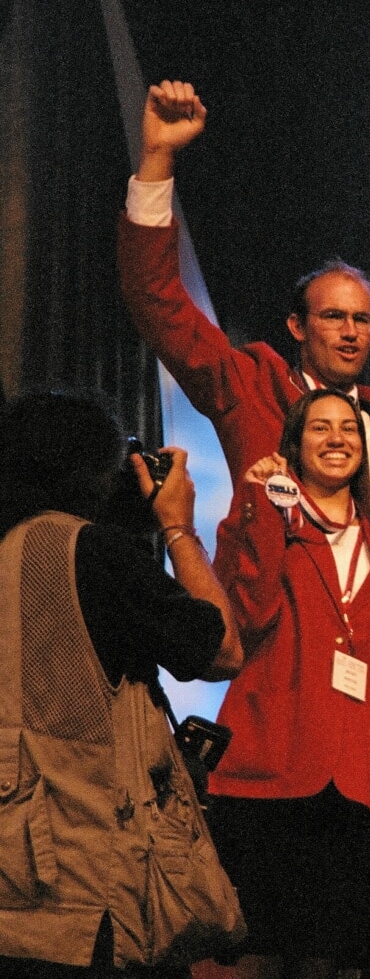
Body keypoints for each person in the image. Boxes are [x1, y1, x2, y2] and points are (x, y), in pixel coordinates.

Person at [117, 80, 370, 974]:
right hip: (282, 685)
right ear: (297, 328)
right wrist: (158, 161)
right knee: (270, 939)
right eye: (333, 317)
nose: (351, 332)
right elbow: (160, 307)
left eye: (363, 318)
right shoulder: (254, 386)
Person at [0, 391, 242, 975]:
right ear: (94, 469)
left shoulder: (12, 547)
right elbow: (221, 651)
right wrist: (178, 527)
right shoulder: (94, 552)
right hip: (91, 895)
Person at [199, 389, 370, 975]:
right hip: (264, 775)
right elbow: (247, 614)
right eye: (318, 428)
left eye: (347, 429)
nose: (336, 439)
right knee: (252, 960)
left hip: (348, 788)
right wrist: (263, 509)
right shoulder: (263, 518)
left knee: (331, 963)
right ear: (293, 447)